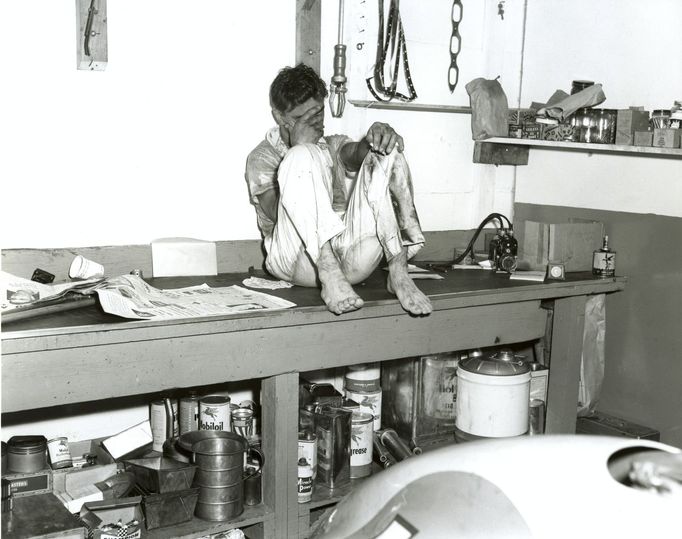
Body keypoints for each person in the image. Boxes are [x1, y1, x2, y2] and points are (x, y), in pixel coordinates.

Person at [245, 64, 432, 316]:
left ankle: (398, 271)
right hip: (296, 259)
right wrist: (300, 148)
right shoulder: (261, 156)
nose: (315, 122)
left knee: (387, 152)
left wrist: (376, 137)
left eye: (319, 112)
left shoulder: (330, 144)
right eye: (303, 117)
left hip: (347, 253)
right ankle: (329, 272)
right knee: (302, 154)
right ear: (280, 117)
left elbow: (356, 153)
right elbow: (279, 216)